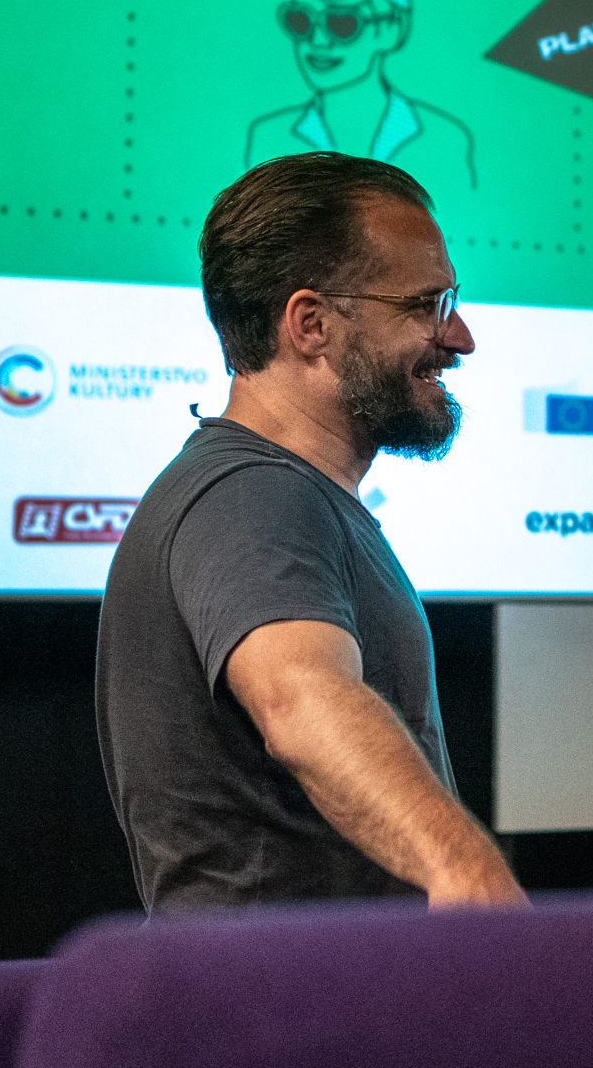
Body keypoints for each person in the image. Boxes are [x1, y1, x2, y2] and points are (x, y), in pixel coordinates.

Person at [95, 152, 523, 910]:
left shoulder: (280, 494)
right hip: (284, 991)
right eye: (426, 305)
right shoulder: (251, 495)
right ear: (311, 325)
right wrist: (467, 873)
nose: (459, 337)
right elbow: (301, 697)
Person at [245, 0, 477, 188]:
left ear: (389, 29)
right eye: (299, 21)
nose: (317, 41)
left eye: (341, 24)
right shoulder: (267, 135)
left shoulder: (446, 137)